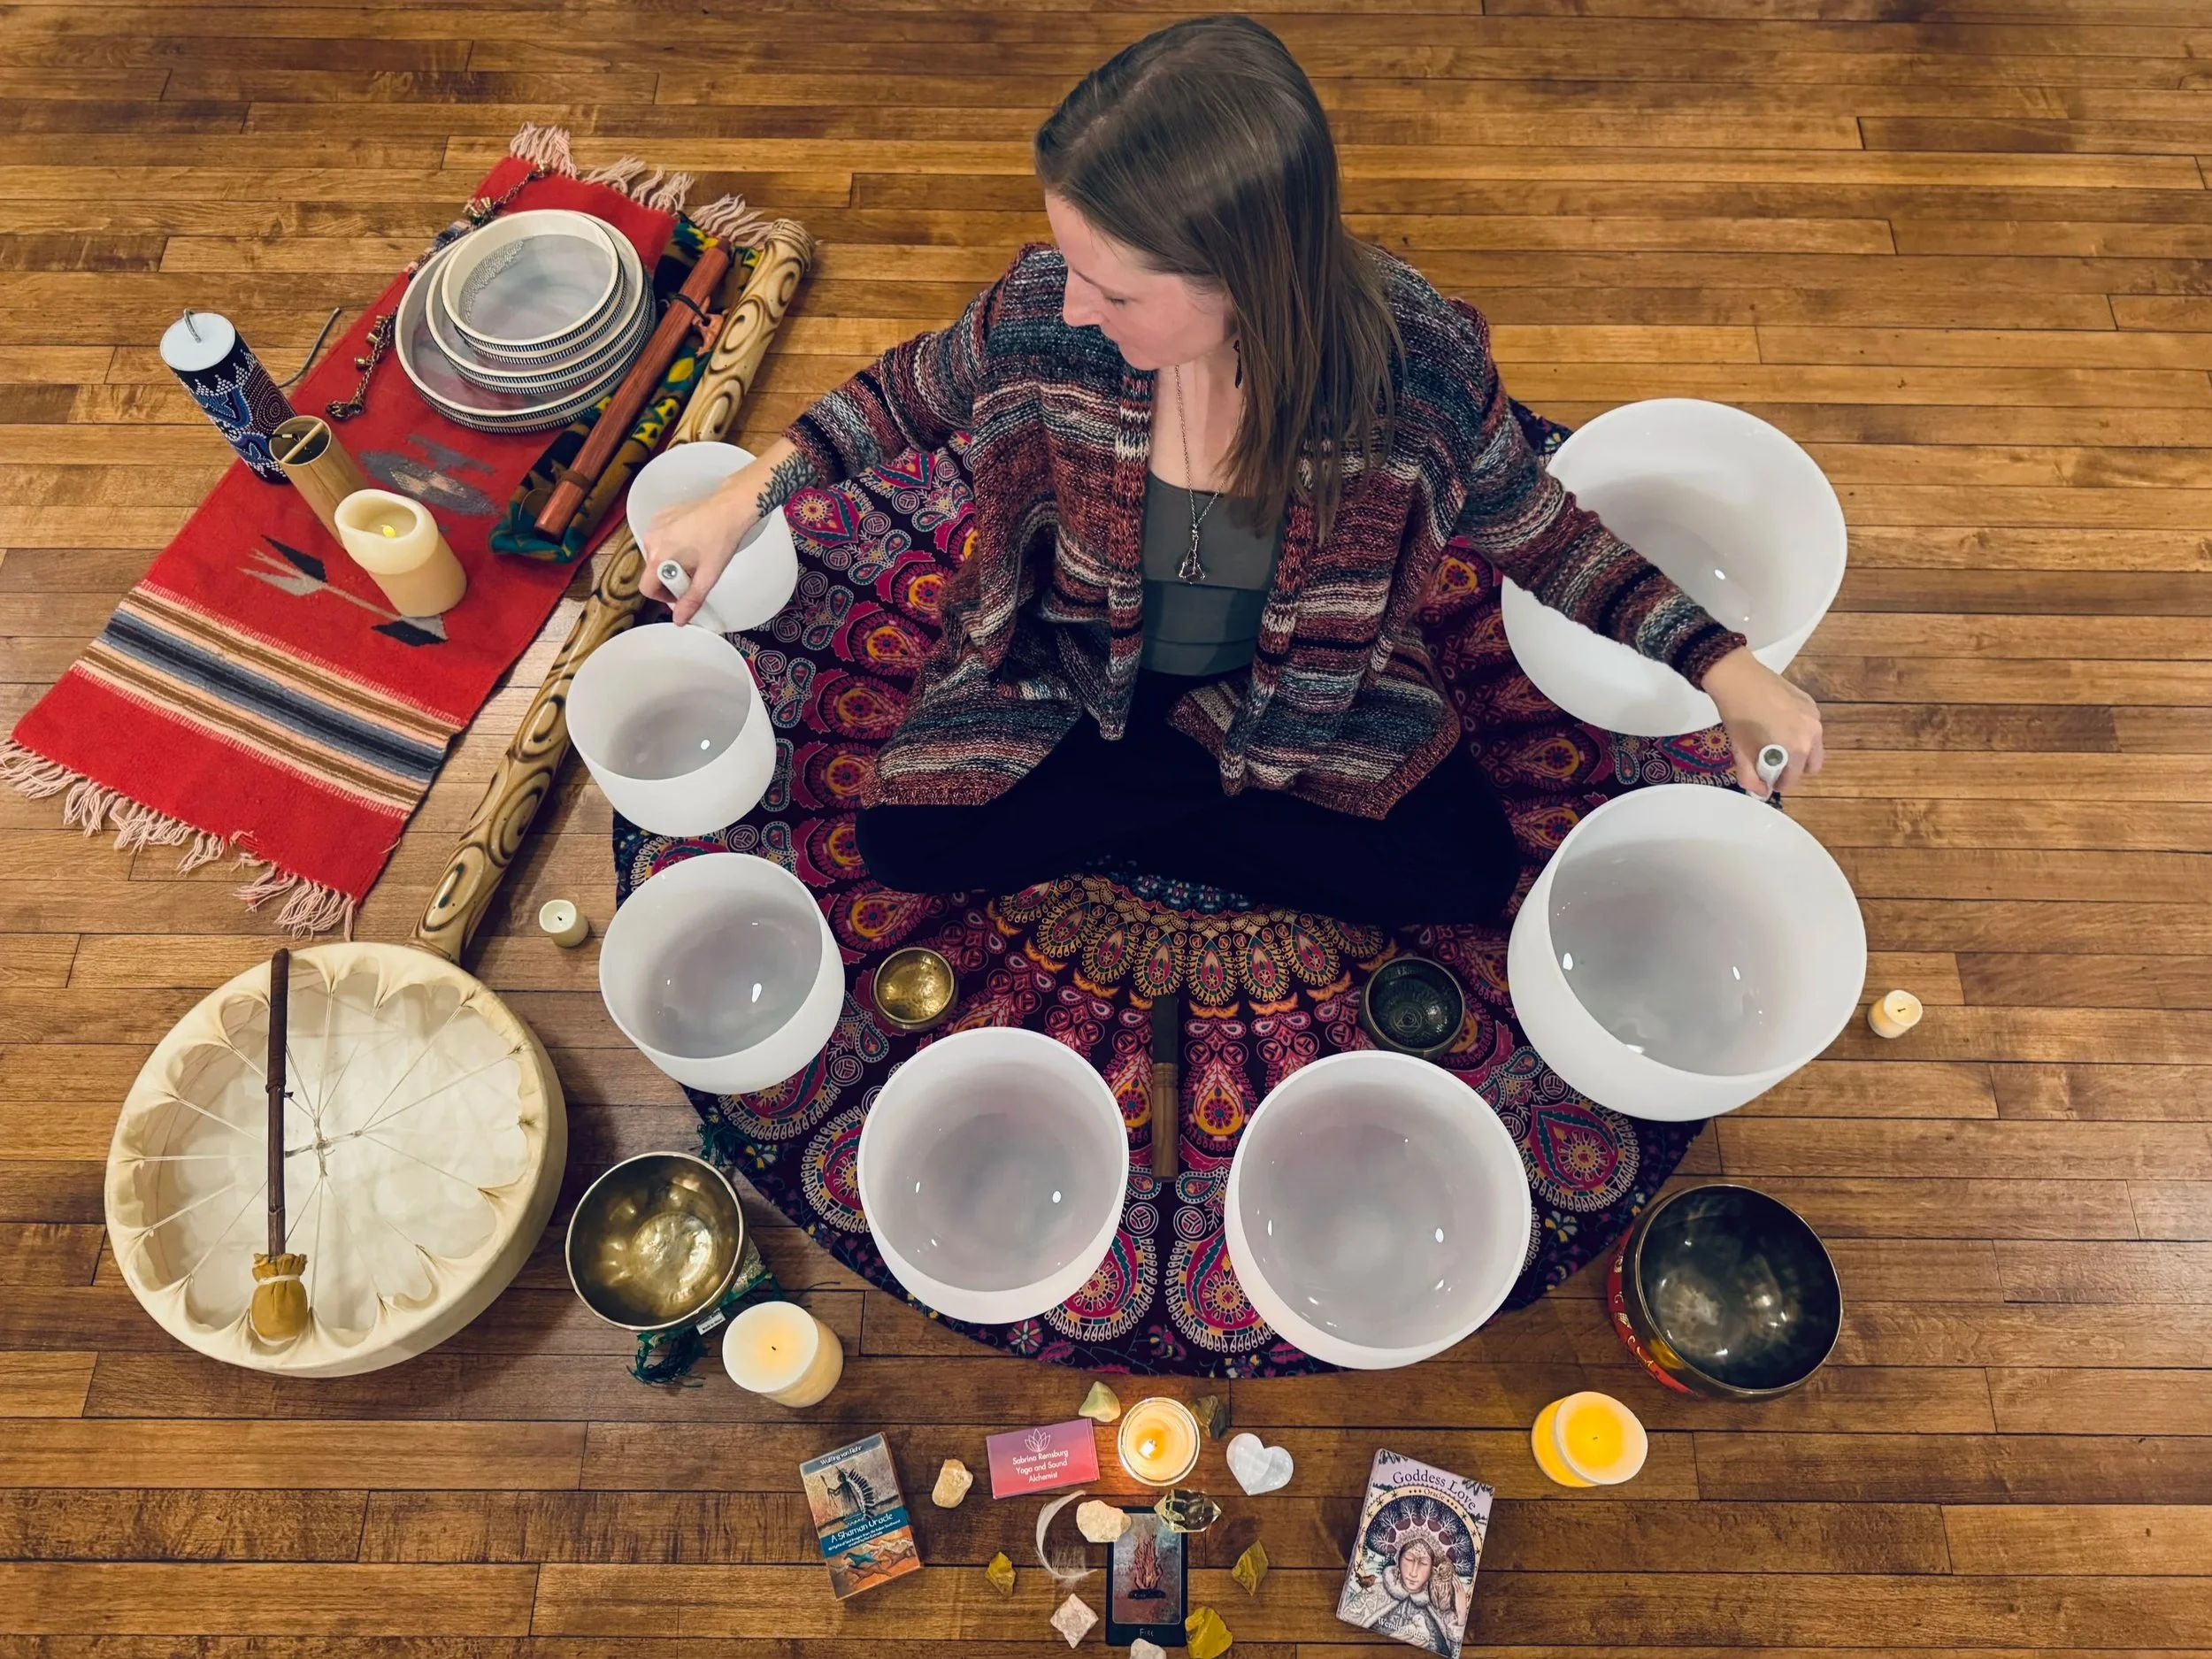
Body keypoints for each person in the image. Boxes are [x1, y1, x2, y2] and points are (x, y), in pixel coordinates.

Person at [641, 14, 1824, 925]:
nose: (1073, 305)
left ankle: (1157, 796)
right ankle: (1203, 792)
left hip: (1306, 694)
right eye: (1070, 264)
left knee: (1466, 873)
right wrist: (739, 499)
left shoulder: (1416, 373)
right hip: (1071, 666)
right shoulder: (1047, 321)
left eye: (1117, 288)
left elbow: (1543, 532)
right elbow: (905, 392)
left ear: (1242, 275)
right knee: (905, 843)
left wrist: (1722, 663)